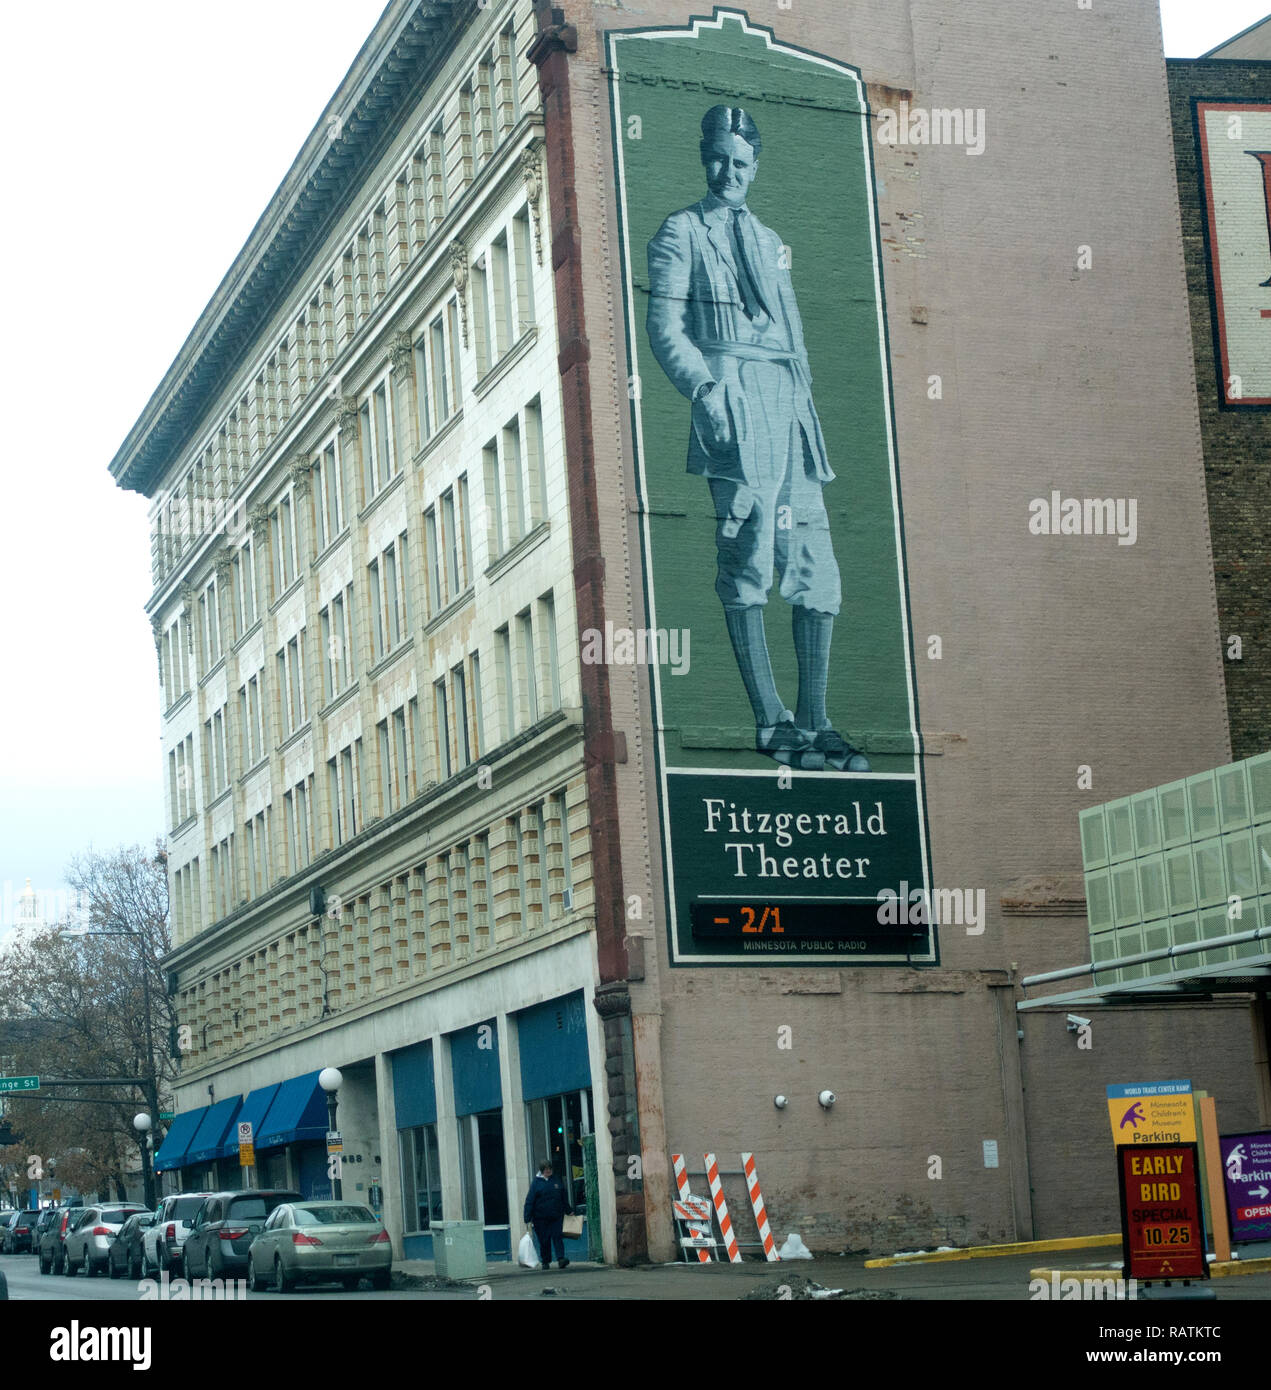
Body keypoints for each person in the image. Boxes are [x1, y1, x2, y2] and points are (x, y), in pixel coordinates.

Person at [646, 104, 869, 773]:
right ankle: (770, 721)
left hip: (786, 400)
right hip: (733, 395)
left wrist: (808, 415)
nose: (728, 172)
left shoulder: (771, 240)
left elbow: (794, 332)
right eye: (718, 158)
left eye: (741, 162)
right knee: (747, 557)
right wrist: (705, 391)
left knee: (815, 568)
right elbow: (665, 326)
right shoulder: (680, 231)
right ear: (702, 154)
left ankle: (816, 721)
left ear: (755, 165)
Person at [523, 1161, 571, 1270]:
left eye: (549, 1168)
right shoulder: (536, 1183)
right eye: (545, 1169)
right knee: (544, 1240)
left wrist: (568, 1210)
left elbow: (563, 1196)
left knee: (557, 1237)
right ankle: (545, 1261)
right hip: (540, 1218)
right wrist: (527, 1216)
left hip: (556, 1216)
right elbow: (530, 1200)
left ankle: (560, 1259)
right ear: (542, 1170)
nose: (548, 1171)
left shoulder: (556, 1180)